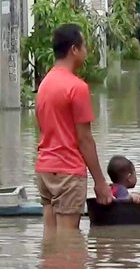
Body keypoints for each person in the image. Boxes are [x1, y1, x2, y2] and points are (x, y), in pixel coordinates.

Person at [35, 23, 113, 233]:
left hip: (44, 170)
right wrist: (100, 182)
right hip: (68, 172)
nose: (86, 52)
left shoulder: (44, 84)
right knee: (68, 245)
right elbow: (84, 139)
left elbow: (43, 127)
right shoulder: (77, 87)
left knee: (51, 240)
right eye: (84, 46)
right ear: (74, 50)